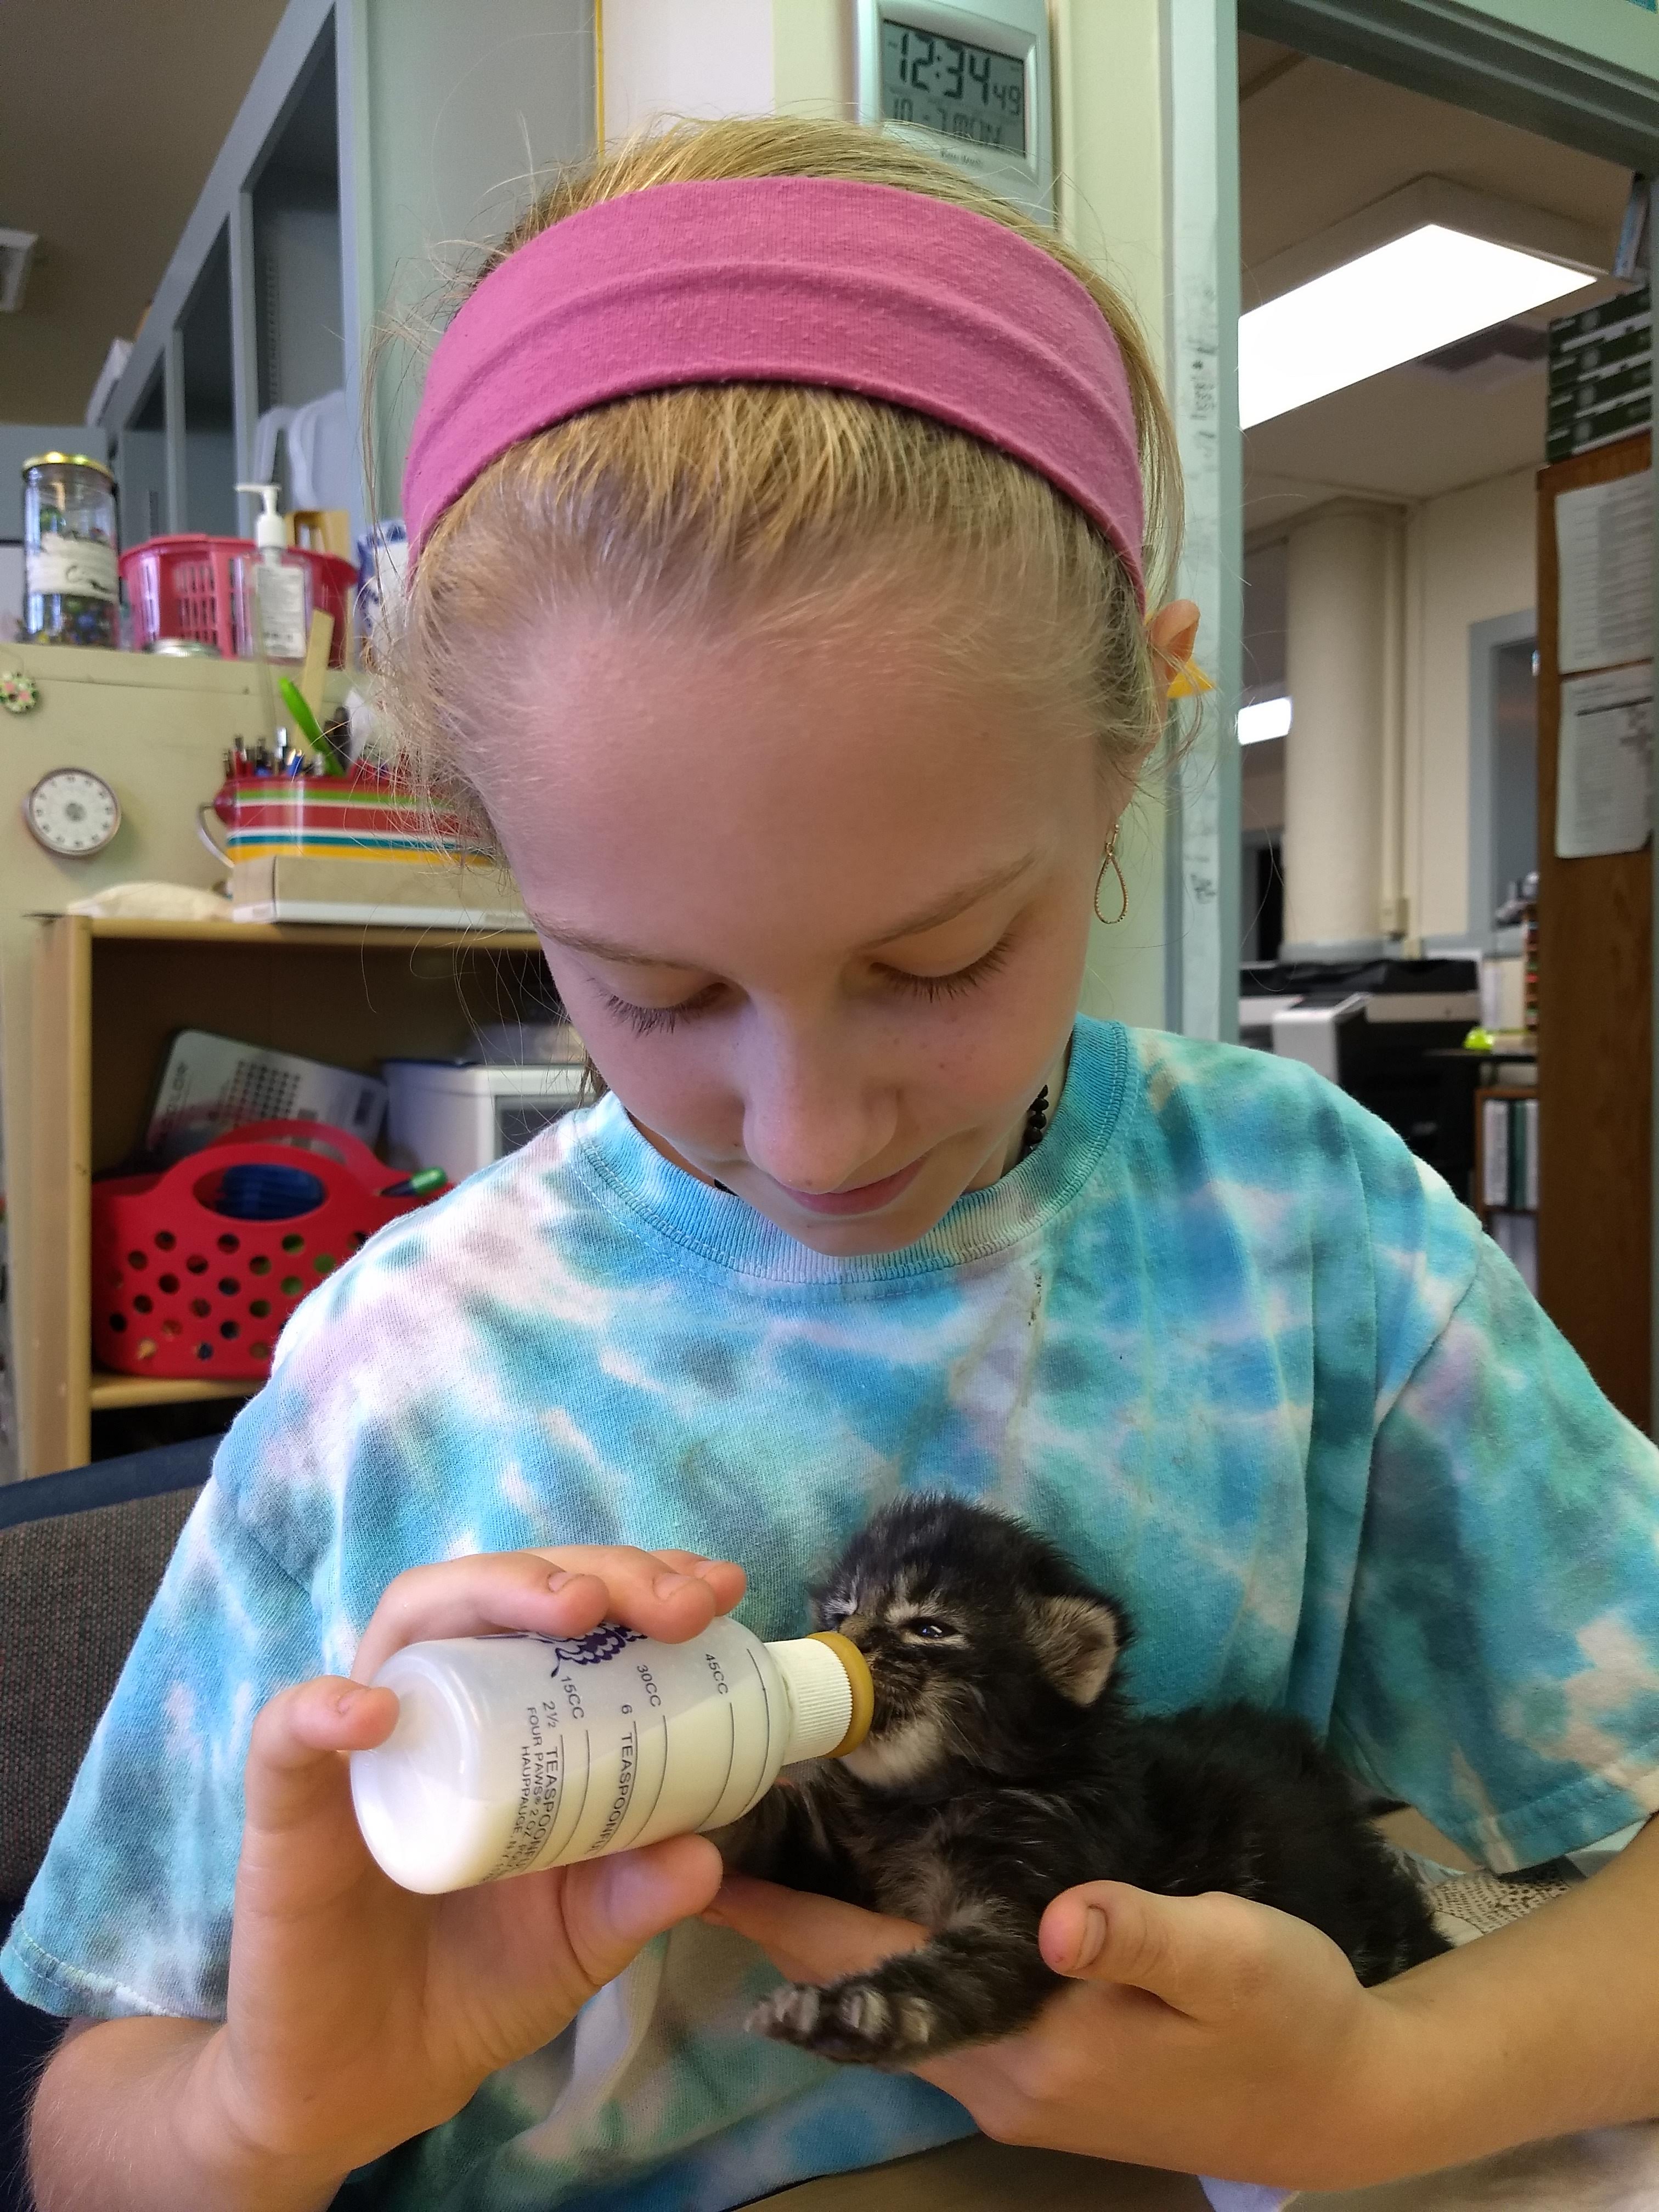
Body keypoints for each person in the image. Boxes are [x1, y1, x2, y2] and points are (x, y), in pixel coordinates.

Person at [9, 114, 1659, 2212]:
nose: (812, 1136)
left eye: (939, 961)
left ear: (1135, 744)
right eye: (657, 994)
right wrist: (262, 2120)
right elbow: (94, 2120)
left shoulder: (1292, 1227)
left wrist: (1390, 2088)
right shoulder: (406, 1372)